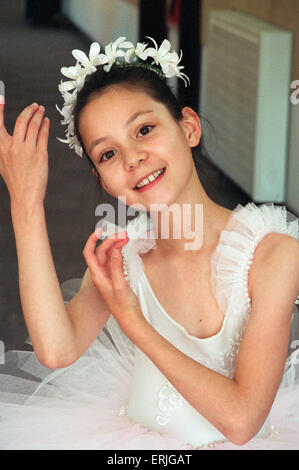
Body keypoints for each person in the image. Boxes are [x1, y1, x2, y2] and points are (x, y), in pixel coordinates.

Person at [0, 36, 298, 450]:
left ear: (188, 127)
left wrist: (133, 321)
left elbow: (242, 421)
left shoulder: (273, 254)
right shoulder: (122, 254)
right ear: (102, 180)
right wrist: (26, 200)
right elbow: (56, 349)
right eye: (107, 154)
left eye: (144, 129)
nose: (132, 158)